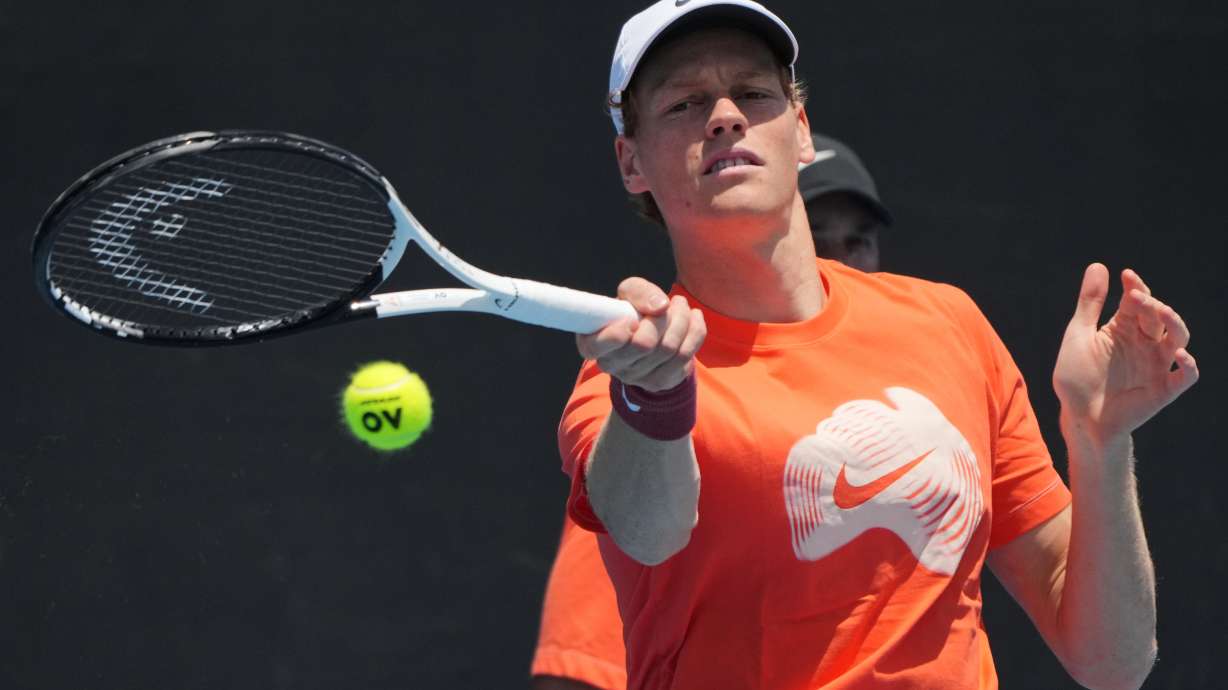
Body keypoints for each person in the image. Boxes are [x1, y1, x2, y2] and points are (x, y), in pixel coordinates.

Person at [558, 1, 1200, 689]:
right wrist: (654, 398)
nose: (724, 117)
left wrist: (1100, 441)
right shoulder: (628, 380)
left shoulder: (948, 322)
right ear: (632, 162)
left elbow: (1113, 664)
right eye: (684, 104)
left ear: (802, 131)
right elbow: (649, 533)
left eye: (752, 92)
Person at [531, 131, 893, 690]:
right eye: (814, 235)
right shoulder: (659, 429)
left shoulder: (914, 403)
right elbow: (578, 674)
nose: (840, 263)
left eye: (858, 242)